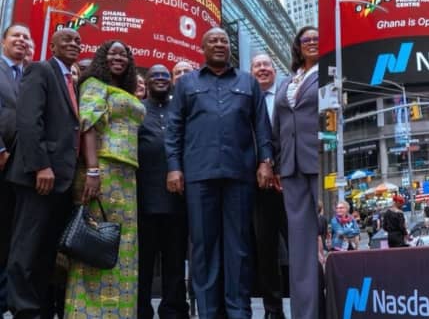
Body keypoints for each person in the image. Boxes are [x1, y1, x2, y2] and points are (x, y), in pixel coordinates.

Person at [165, 27, 275, 319]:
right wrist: (174, 167)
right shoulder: (187, 84)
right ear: (203, 48)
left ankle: (239, 311)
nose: (219, 44)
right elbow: (174, 129)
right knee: (204, 247)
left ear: (230, 48)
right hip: (198, 176)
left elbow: (262, 127)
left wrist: (265, 162)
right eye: (213, 40)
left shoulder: (248, 82)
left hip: (240, 175)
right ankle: (209, 312)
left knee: (239, 247)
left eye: (224, 41)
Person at [63, 40, 145, 317]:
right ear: (102, 58)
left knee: (120, 245)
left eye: (124, 54)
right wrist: (93, 170)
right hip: (103, 171)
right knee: (93, 242)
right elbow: (87, 125)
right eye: (112, 53)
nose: (118, 58)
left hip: (127, 175)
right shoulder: (94, 84)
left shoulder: (124, 90)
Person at [4, 28, 82, 319]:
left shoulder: (71, 80)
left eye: (78, 41)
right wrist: (41, 166)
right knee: (26, 247)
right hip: (38, 176)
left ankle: (39, 309)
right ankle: (23, 309)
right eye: (67, 39)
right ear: (52, 45)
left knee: (46, 251)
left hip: (61, 181)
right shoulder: (40, 69)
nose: (74, 43)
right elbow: (28, 120)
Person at [270, 27, 321, 318]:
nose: (312, 42)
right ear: (298, 47)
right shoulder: (285, 82)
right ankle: (306, 313)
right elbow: (277, 126)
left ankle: (342, 302)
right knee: (300, 248)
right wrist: (276, 163)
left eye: (316, 39)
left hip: (322, 163)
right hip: (290, 168)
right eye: (306, 40)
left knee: (332, 235)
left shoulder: (330, 74)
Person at [136, 65, 189, 319]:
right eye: (155, 76)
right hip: (143, 200)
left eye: (165, 76)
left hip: (177, 201)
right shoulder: (137, 110)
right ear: (146, 82)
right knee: (143, 263)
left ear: (171, 82)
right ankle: (141, 310)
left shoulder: (180, 110)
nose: (160, 79)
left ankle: (173, 310)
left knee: (175, 262)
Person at [249, 53, 286, 319]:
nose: (262, 69)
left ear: (275, 71)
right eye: (257, 66)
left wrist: (281, 170)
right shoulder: (246, 100)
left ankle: (310, 299)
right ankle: (273, 310)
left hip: (287, 182)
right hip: (257, 186)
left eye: (266, 65)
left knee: (300, 244)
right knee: (266, 249)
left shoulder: (286, 95)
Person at [0, 23, 31, 317]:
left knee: (11, 231)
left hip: (20, 167)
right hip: (1, 157)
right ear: (3, 41)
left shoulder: (29, 74)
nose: (21, 40)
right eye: (16, 36)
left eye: (26, 37)